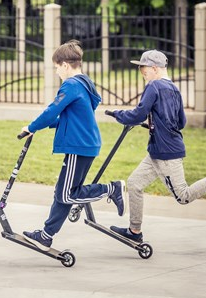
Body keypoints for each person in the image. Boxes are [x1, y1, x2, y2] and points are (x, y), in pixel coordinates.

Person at [108, 49, 206, 242]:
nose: (141, 72)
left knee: (183, 196)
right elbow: (181, 122)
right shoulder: (174, 89)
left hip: (166, 152)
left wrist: (117, 113)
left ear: (154, 68)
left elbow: (138, 114)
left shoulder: (153, 87)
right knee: (135, 184)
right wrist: (157, 124)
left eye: (143, 69)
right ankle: (135, 232)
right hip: (157, 150)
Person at [19, 40, 127, 251]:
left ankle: (112, 189)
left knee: (67, 194)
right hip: (83, 145)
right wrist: (43, 127)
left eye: (57, 67)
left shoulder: (71, 85)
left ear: (65, 65)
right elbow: (71, 118)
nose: (57, 71)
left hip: (79, 146)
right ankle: (46, 235)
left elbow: (52, 110)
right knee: (63, 192)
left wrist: (32, 126)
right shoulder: (85, 84)